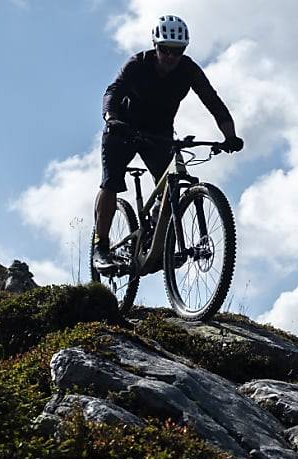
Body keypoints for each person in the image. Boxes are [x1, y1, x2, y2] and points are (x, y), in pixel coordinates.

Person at [93, 14, 243, 271]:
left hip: (160, 133)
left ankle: (155, 238)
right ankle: (101, 246)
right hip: (123, 129)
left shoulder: (188, 69)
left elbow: (213, 101)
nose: (171, 57)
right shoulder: (137, 64)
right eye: (165, 50)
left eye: (177, 51)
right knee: (111, 183)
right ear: (155, 46)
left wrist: (230, 136)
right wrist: (111, 118)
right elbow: (113, 91)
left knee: (168, 188)